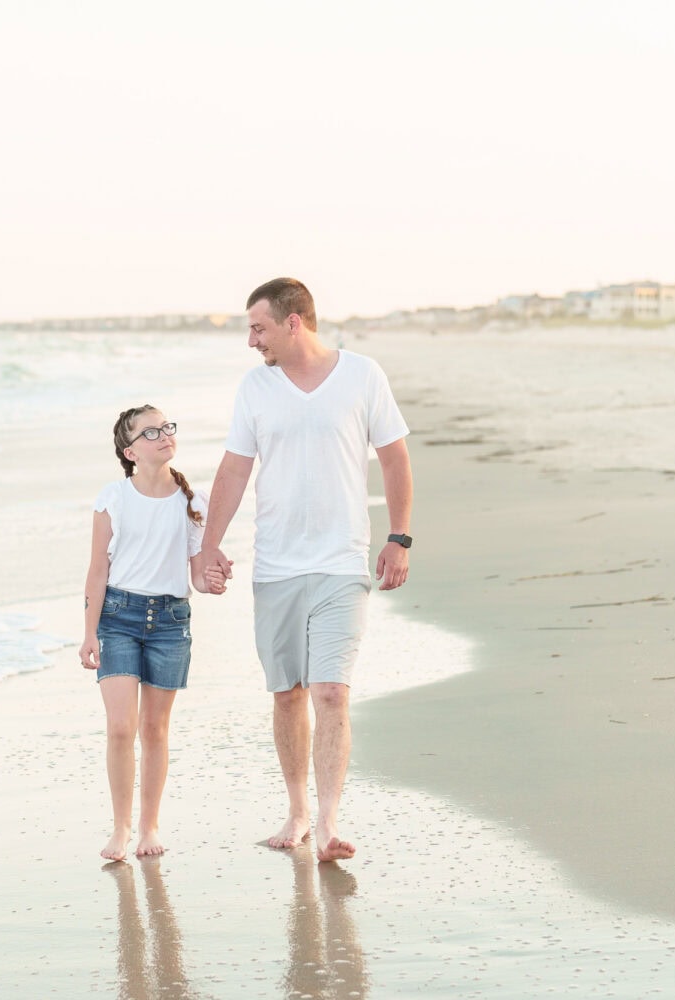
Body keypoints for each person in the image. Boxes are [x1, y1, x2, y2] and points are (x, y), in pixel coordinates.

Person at [199, 277, 413, 863]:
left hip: (342, 561)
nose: (251, 340)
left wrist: (399, 537)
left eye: (258, 327)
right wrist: (207, 547)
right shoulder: (256, 387)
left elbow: (395, 457)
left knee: (331, 693)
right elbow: (235, 470)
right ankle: (296, 809)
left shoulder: (362, 376)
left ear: (294, 322)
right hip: (276, 566)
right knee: (287, 694)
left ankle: (326, 822)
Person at [81, 406, 222, 861]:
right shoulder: (113, 497)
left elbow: (198, 576)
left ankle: (149, 827)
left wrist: (214, 579)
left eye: (166, 428)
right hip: (118, 618)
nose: (163, 435)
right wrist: (89, 634)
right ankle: (120, 828)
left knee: (155, 730)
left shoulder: (193, 501)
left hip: (170, 622)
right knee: (121, 728)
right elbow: (97, 570)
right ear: (131, 451)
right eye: (150, 432)